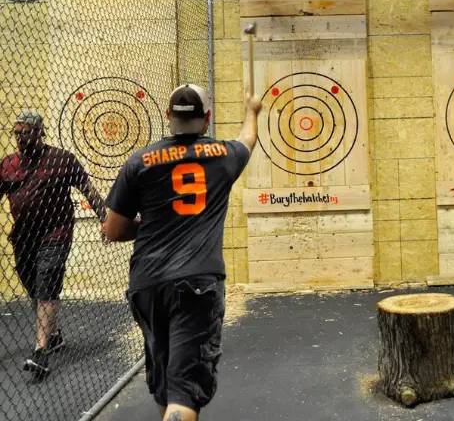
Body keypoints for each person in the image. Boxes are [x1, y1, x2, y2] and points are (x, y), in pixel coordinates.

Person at [104, 84, 261, 421]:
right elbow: (248, 138)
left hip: (147, 284)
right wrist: (253, 109)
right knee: (183, 392)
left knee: (165, 384)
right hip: (196, 283)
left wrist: (147, 226)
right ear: (207, 119)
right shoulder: (223, 155)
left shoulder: (139, 162)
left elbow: (113, 230)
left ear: (168, 117)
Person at [0, 111, 106, 381]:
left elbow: (87, 189)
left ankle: (40, 351)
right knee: (31, 283)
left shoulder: (61, 159)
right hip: (23, 237)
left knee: (47, 280)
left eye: (26, 132)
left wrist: (105, 218)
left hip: (56, 234)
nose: (21, 138)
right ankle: (53, 335)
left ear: (39, 132)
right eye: (17, 133)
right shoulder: (9, 164)